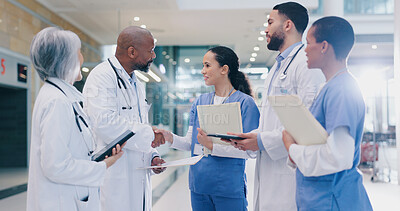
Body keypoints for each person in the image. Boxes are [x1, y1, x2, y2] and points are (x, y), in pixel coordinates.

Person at [229, 2, 325, 210]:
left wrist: (262, 140)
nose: (266, 29)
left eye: (270, 22)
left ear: (288, 25)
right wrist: (250, 138)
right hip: (270, 168)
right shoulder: (277, 67)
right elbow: (271, 120)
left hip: (289, 173)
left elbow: (308, 122)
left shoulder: (305, 65)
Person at [27, 27, 124, 211]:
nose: (81, 58)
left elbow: (71, 149)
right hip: (61, 202)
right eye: (78, 53)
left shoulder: (61, 96)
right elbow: (55, 166)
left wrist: (99, 156)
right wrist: (102, 166)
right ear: (64, 60)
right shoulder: (57, 101)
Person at [282, 16, 373, 211]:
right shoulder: (331, 87)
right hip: (323, 199)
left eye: (308, 43)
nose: (305, 49)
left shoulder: (342, 90)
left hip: (334, 200)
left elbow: (338, 157)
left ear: (324, 47)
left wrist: (292, 148)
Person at [156, 46, 260, 211]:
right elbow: (191, 143)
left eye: (207, 65)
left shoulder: (245, 103)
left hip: (228, 188)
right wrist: (169, 137)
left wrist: (212, 146)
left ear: (224, 69)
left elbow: (250, 151)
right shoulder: (200, 101)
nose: (203, 70)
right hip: (199, 186)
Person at [82, 26, 165, 211]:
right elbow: (104, 123)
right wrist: (150, 136)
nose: (153, 56)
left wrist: (153, 156)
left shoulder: (137, 83)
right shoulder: (102, 77)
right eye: (150, 50)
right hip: (114, 177)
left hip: (138, 175)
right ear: (132, 52)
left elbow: (140, 124)